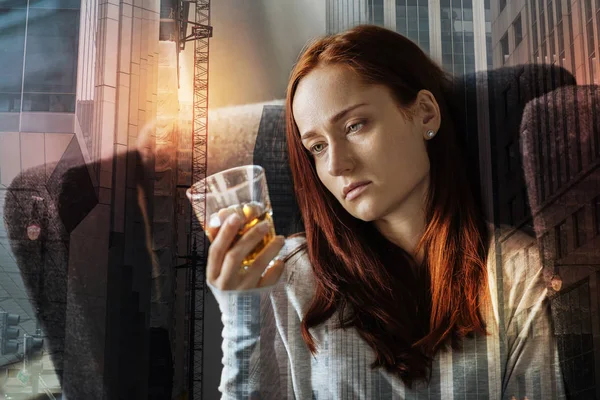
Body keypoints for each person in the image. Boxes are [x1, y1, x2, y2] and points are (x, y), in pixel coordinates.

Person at [205, 25, 566, 399]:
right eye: (316, 147)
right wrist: (241, 315)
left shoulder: (516, 272)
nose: (337, 165)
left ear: (425, 114)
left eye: (354, 125)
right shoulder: (284, 275)